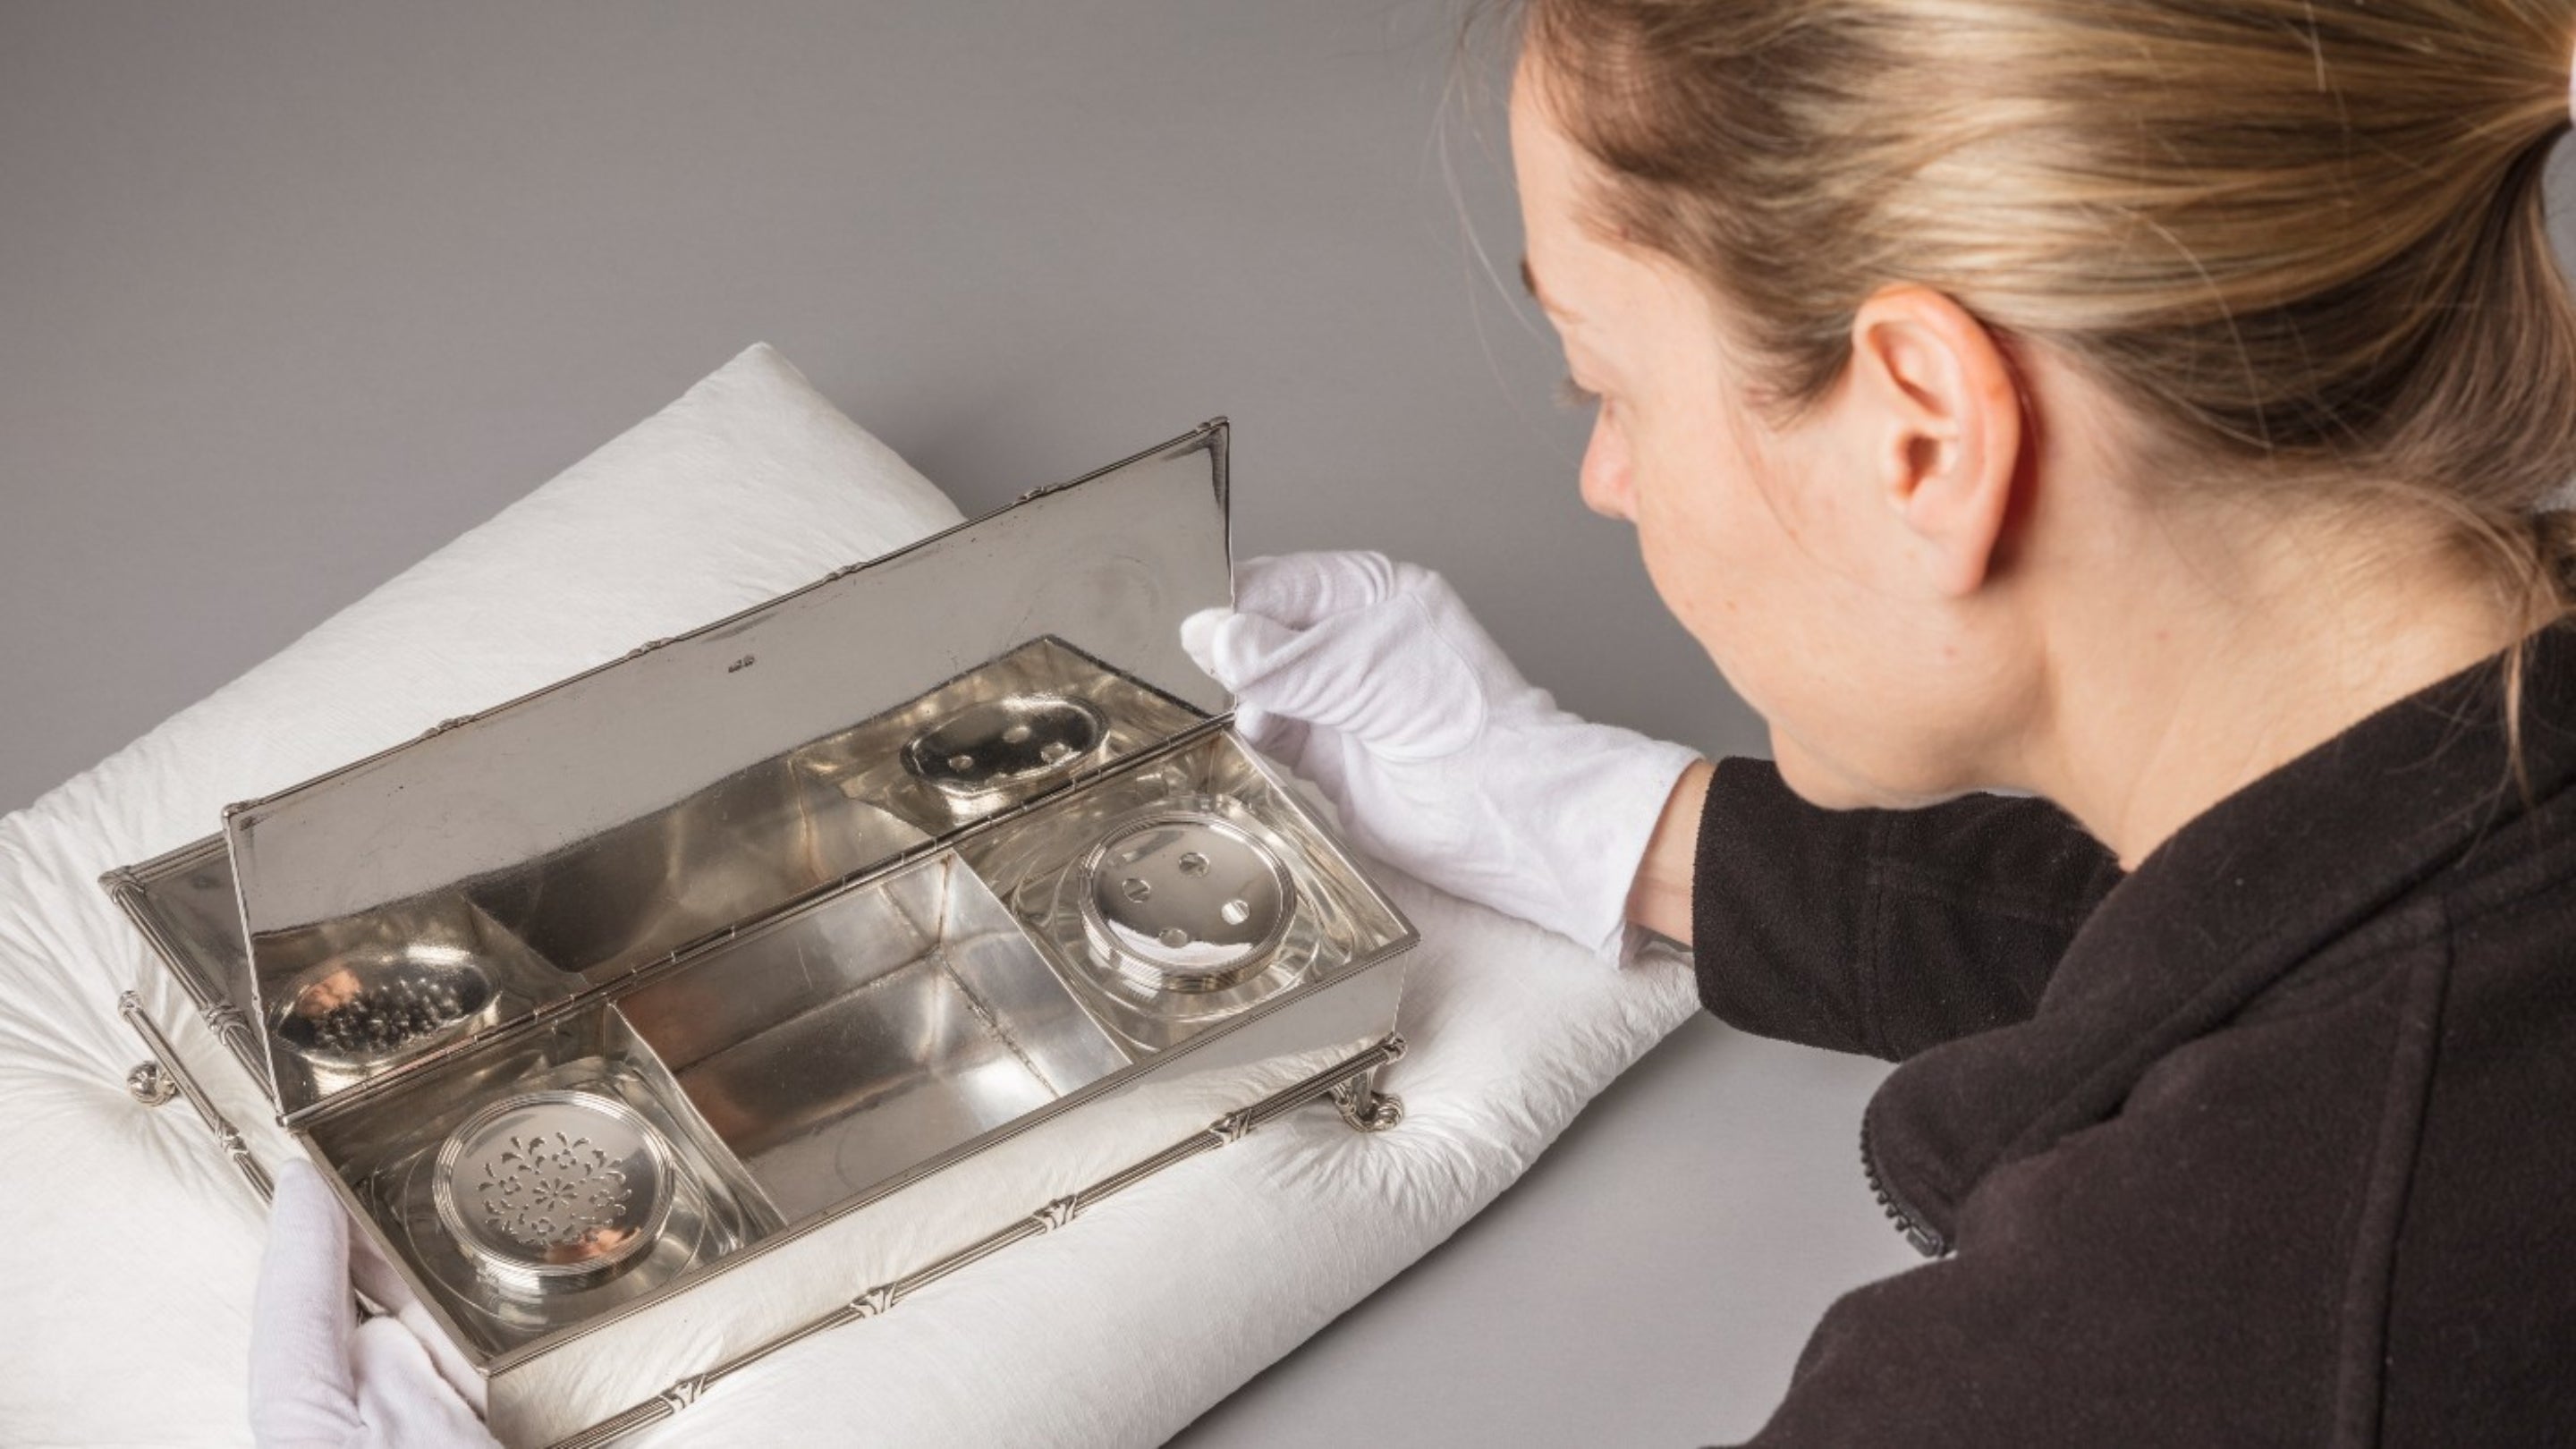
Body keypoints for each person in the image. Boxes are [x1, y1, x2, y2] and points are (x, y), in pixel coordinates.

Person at [254, 0, 2576, 1443]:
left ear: (1921, 434)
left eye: (1606, 384)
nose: (1602, 483)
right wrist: (1616, 826)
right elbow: (2299, 906)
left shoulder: (2189, 1356)